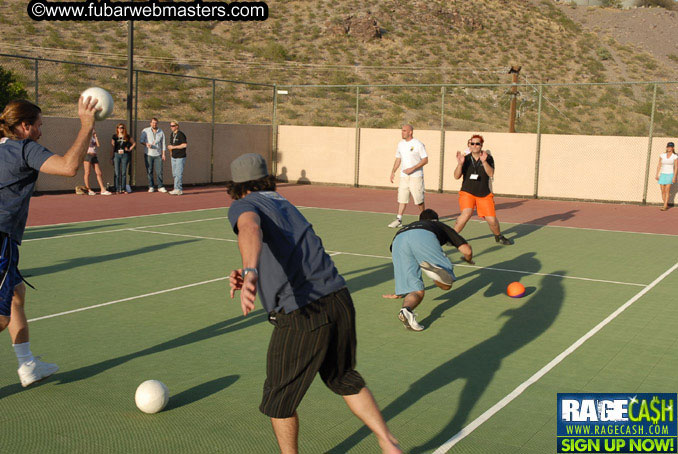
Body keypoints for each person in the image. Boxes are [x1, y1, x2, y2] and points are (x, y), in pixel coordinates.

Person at [227, 154, 401, 454]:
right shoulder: (284, 204)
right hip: (339, 298)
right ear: (267, 179)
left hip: (303, 312)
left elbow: (249, 229)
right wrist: (250, 271)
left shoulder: (244, 205)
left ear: (237, 187)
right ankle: (388, 443)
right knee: (342, 377)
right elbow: (288, 252)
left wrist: (252, 269)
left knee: (279, 401)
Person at [0, 97, 98, 387]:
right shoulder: (24, 149)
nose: (41, 132)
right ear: (24, 126)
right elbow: (69, 168)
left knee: (16, 292)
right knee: (1, 317)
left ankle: (27, 363)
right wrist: (87, 125)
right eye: (39, 126)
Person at [383, 209, 473, 332]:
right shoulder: (437, 225)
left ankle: (406, 310)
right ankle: (435, 272)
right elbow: (466, 250)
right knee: (447, 283)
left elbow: (397, 253)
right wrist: (468, 258)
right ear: (435, 219)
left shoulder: (408, 226)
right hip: (423, 236)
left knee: (416, 290)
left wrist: (400, 290)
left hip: (397, 241)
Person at [453, 134, 513, 245]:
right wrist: (460, 164)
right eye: (472, 143)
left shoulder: (488, 158)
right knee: (466, 213)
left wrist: (484, 162)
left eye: (477, 144)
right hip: (467, 192)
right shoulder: (465, 159)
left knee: (492, 220)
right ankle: (452, 237)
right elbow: (456, 176)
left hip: (484, 194)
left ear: (481, 145)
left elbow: (491, 173)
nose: (475, 146)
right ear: (469, 145)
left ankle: (498, 236)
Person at [388, 124, 428, 228]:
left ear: (410, 132)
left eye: (404, 131)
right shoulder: (400, 144)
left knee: (419, 200)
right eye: (402, 130)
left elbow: (425, 160)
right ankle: (399, 219)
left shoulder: (418, 144)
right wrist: (393, 171)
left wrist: (413, 168)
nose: (402, 132)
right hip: (404, 177)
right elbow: (398, 159)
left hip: (416, 176)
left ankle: (424, 219)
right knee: (402, 198)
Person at [139, 118, 167, 193]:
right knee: (149, 170)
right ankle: (151, 186)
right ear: (150, 123)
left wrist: (163, 154)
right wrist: (146, 144)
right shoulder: (145, 130)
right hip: (148, 154)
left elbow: (163, 144)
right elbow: (141, 141)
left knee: (159, 171)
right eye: (153, 123)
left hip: (158, 155)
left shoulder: (161, 132)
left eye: (156, 123)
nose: (154, 124)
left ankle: (160, 186)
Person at [83, 129, 111, 196]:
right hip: (87, 155)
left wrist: (95, 137)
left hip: (94, 156)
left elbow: (98, 145)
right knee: (87, 172)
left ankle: (102, 189)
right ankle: (88, 189)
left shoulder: (93, 137)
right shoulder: (86, 137)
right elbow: (87, 144)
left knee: (99, 173)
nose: (94, 131)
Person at [111, 123, 135, 194]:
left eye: (122, 128)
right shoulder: (114, 136)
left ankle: (123, 188)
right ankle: (117, 188)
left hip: (125, 155)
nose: (120, 129)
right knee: (117, 172)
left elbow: (134, 143)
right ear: (117, 129)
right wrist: (111, 157)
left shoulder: (127, 136)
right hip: (117, 154)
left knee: (124, 172)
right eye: (119, 128)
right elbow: (112, 147)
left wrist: (130, 149)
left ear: (124, 129)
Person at [656, 141, 678, 211]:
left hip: (670, 174)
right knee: (662, 191)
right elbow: (659, 165)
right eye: (668, 147)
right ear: (666, 147)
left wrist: (674, 177)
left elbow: (676, 167)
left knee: (667, 190)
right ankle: (666, 204)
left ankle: (665, 206)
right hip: (662, 174)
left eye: (671, 147)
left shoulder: (675, 156)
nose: (669, 148)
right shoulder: (662, 155)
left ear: (673, 148)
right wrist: (657, 174)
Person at [167, 120, 187, 195]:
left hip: (180, 157)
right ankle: (176, 188)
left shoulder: (181, 134)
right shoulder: (171, 135)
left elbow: (184, 145)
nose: (171, 127)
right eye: (170, 126)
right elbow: (171, 146)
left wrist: (174, 147)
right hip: (173, 157)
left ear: (177, 126)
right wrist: (171, 152)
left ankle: (178, 188)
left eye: (173, 126)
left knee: (178, 173)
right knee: (174, 174)